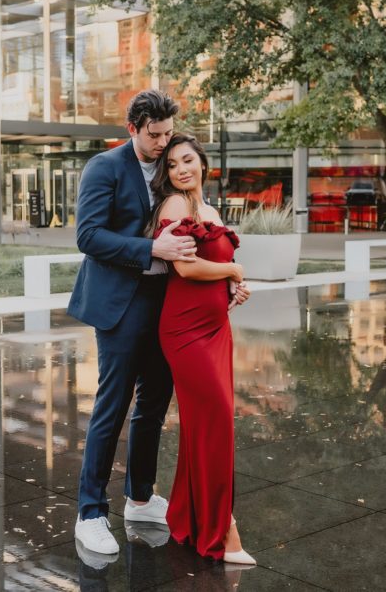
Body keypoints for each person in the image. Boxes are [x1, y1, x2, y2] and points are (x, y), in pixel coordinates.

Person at [68, 90, 198, 557]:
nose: (163, 142)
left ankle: (140, 498)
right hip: (119, 304)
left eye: (167, 133)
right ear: (132, 128)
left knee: (154, 404)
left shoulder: (170, 167)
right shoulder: (104, 167)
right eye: (154, 134)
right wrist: (150, 250)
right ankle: (89, 513)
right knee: (113, 405)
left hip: (165, 303)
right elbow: (88, 235)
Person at [148, 133, 255, 565]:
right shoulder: (175, 206)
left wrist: (234, 286)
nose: (180, 170)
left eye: (187, 160)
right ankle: (224, 529)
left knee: (204, 427)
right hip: (185, 330)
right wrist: (233, 267)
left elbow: (213, 270)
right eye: (172, 165)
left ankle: (188, 519)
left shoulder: (209, 210)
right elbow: (186, 268)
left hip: (217, 327)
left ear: (203, 163)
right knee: (215, 425)